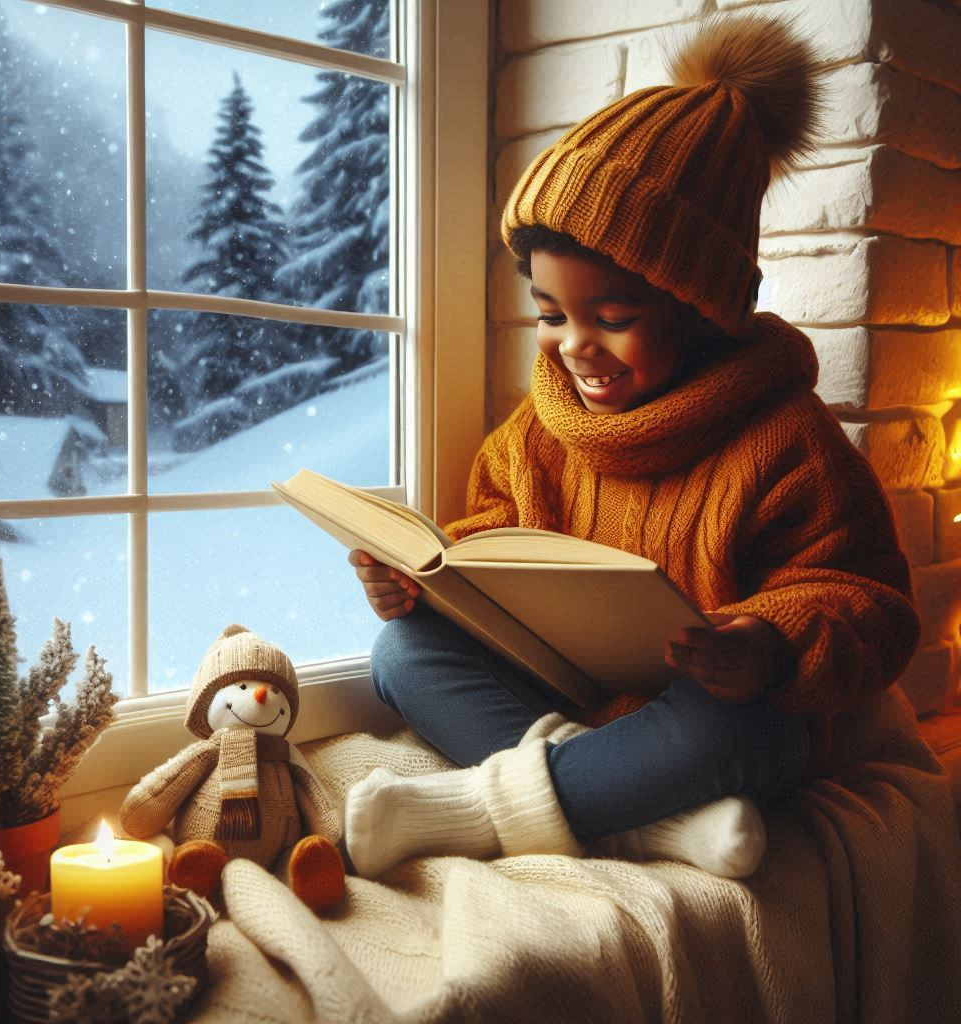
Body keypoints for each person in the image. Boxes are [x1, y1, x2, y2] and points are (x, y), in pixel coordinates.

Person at [342, 13, 919, 881]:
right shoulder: (536, 432)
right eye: (550, 315)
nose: (575, 344)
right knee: (400, 654)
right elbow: (499, 540)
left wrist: (767, 642)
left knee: (753, 729)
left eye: (612, 319)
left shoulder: (785, 439)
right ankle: (648, 825)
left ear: (701, 310)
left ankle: (475, 812)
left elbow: (867, 599)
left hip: (711, 711)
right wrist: (429, 582)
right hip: (572, 696)